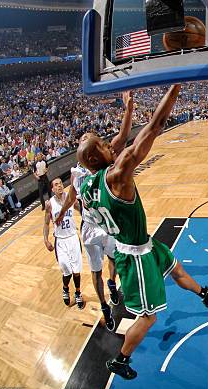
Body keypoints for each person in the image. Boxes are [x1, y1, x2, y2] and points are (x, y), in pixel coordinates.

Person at [77, 85, 208, 380]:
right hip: (134, 256)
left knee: (175, 267)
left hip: (137, 243)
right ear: (102, 157)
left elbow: (118, 144)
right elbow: (154, 127)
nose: (113, 145)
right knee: (148, 317)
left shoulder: (87, 183)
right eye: (107, 146)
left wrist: (129, 108)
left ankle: (205, 294)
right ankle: (120, 360)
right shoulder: (118, 175)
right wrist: (175, 86)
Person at [56, 91, 136, 332]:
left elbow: (123, 135)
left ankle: (112, 284)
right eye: (84, 136)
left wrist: (129, 109)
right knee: (95, 270)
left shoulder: (104, 157)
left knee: (113, 262)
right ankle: (103, 306)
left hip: (108, 225)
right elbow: (71, 196)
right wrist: (60, 215)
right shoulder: (77, 173)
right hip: (90, 229)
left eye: (88, 135)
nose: (86, 136)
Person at [43, 178, 85, 309]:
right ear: (52, 189)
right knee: (66, 270)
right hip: (60, 241)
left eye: (60, 183)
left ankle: (78, 293)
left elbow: (83, 211)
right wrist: (45, 239)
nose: (59, 186)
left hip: (73, 238)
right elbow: (46, 223)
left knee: (76, 271)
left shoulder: (71, 198)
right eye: (56, 185)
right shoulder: (49, 204)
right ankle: (66, 288)